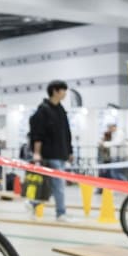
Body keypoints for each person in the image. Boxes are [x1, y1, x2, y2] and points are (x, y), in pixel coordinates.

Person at [27, 80, 73, 221]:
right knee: (58, 184)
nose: (65, 93)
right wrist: (36, 153)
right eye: (63, 90)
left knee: (51, 185)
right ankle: (61, 213)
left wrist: (69, 151)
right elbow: (37, 134)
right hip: (49, 154)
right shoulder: (43, 110)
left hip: (61, 153)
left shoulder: (61, 110)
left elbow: (67, 133)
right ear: (55, 91)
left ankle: (32, 203)